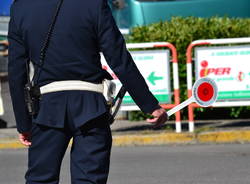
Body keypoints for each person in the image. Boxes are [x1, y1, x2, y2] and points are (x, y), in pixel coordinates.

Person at [8, 0, 168, 183]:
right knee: (89, 180)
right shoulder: (93, 3)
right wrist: (150, 105)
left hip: (46, 110)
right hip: (90, 108)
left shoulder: (22, 6)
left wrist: (24, 123)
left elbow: (16, 72)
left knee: (40, 179)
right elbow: (119, 58)